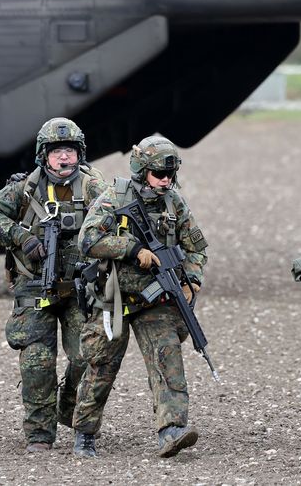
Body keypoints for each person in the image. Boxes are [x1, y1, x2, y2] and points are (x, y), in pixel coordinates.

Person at [70, 136, 210, 459]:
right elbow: (88, 239)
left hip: (154, 300)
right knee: (101, 365)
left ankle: (171, 429)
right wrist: (132, 249)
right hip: (114, 298)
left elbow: (196, 249)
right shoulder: (115, 197)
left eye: (170, 174)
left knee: (167, 358)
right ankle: (85, 433)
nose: (165, 180)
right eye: (159, 174)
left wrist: (192, 281)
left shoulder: (174, 204)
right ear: (142, 170)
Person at [0, 118, 108, 453]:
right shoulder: (24, 188)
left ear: (80, 154)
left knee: (87, 356)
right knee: (37, 362)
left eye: (70, 151)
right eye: (57, 151)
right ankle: (39, 433)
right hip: (34, 286)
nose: (64, 157)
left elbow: (119, 218)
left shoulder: (94, 187)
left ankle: (70, 408)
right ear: (43, 155)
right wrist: (21, 237)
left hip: (79, 289)